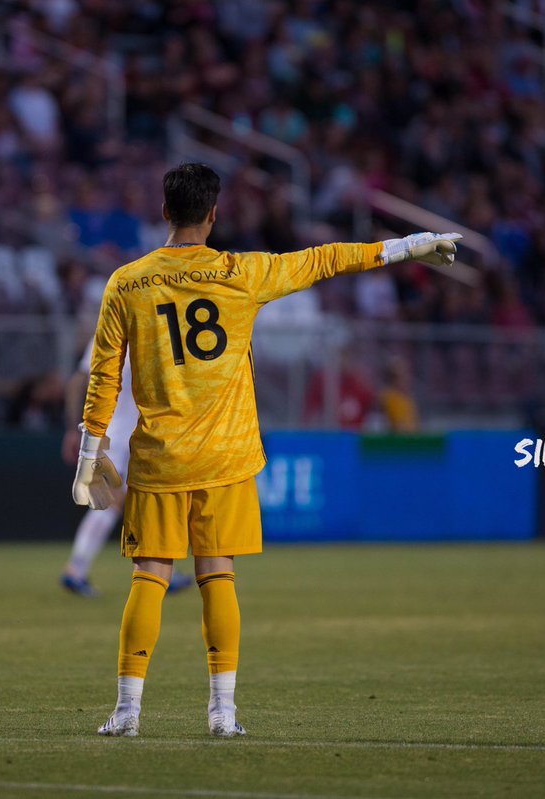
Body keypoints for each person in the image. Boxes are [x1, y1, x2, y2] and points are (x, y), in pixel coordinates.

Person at [71, 163, 459, 738]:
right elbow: (328, 258)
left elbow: (104, 377)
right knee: (217, 577)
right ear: (213, 215)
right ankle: (222, 714)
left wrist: (88, 453)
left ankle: (128, 712)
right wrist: (408, 245)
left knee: (149, 577)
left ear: (164, 212)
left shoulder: (127, 282)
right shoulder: (243, 273)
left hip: (159, 457)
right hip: (227, 458)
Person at [60, 339, 192, 597]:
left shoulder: (109, 331)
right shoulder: (155, 331)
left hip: (117, 432)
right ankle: (76, 568)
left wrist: (73, 427)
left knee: (142, 501)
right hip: (130, 435)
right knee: (119, 502)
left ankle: (160, 570)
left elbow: (79, 380)